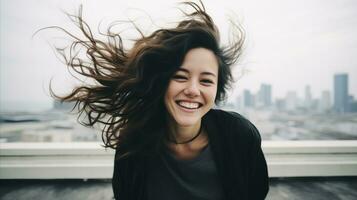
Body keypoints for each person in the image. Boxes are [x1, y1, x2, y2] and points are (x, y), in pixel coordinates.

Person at [51, 1, 269, 199]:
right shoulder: (133, 143)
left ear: (217, 89)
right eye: (180, 76)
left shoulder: (239, 135)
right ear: (162, 82)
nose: (193, 90)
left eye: (206, 81)